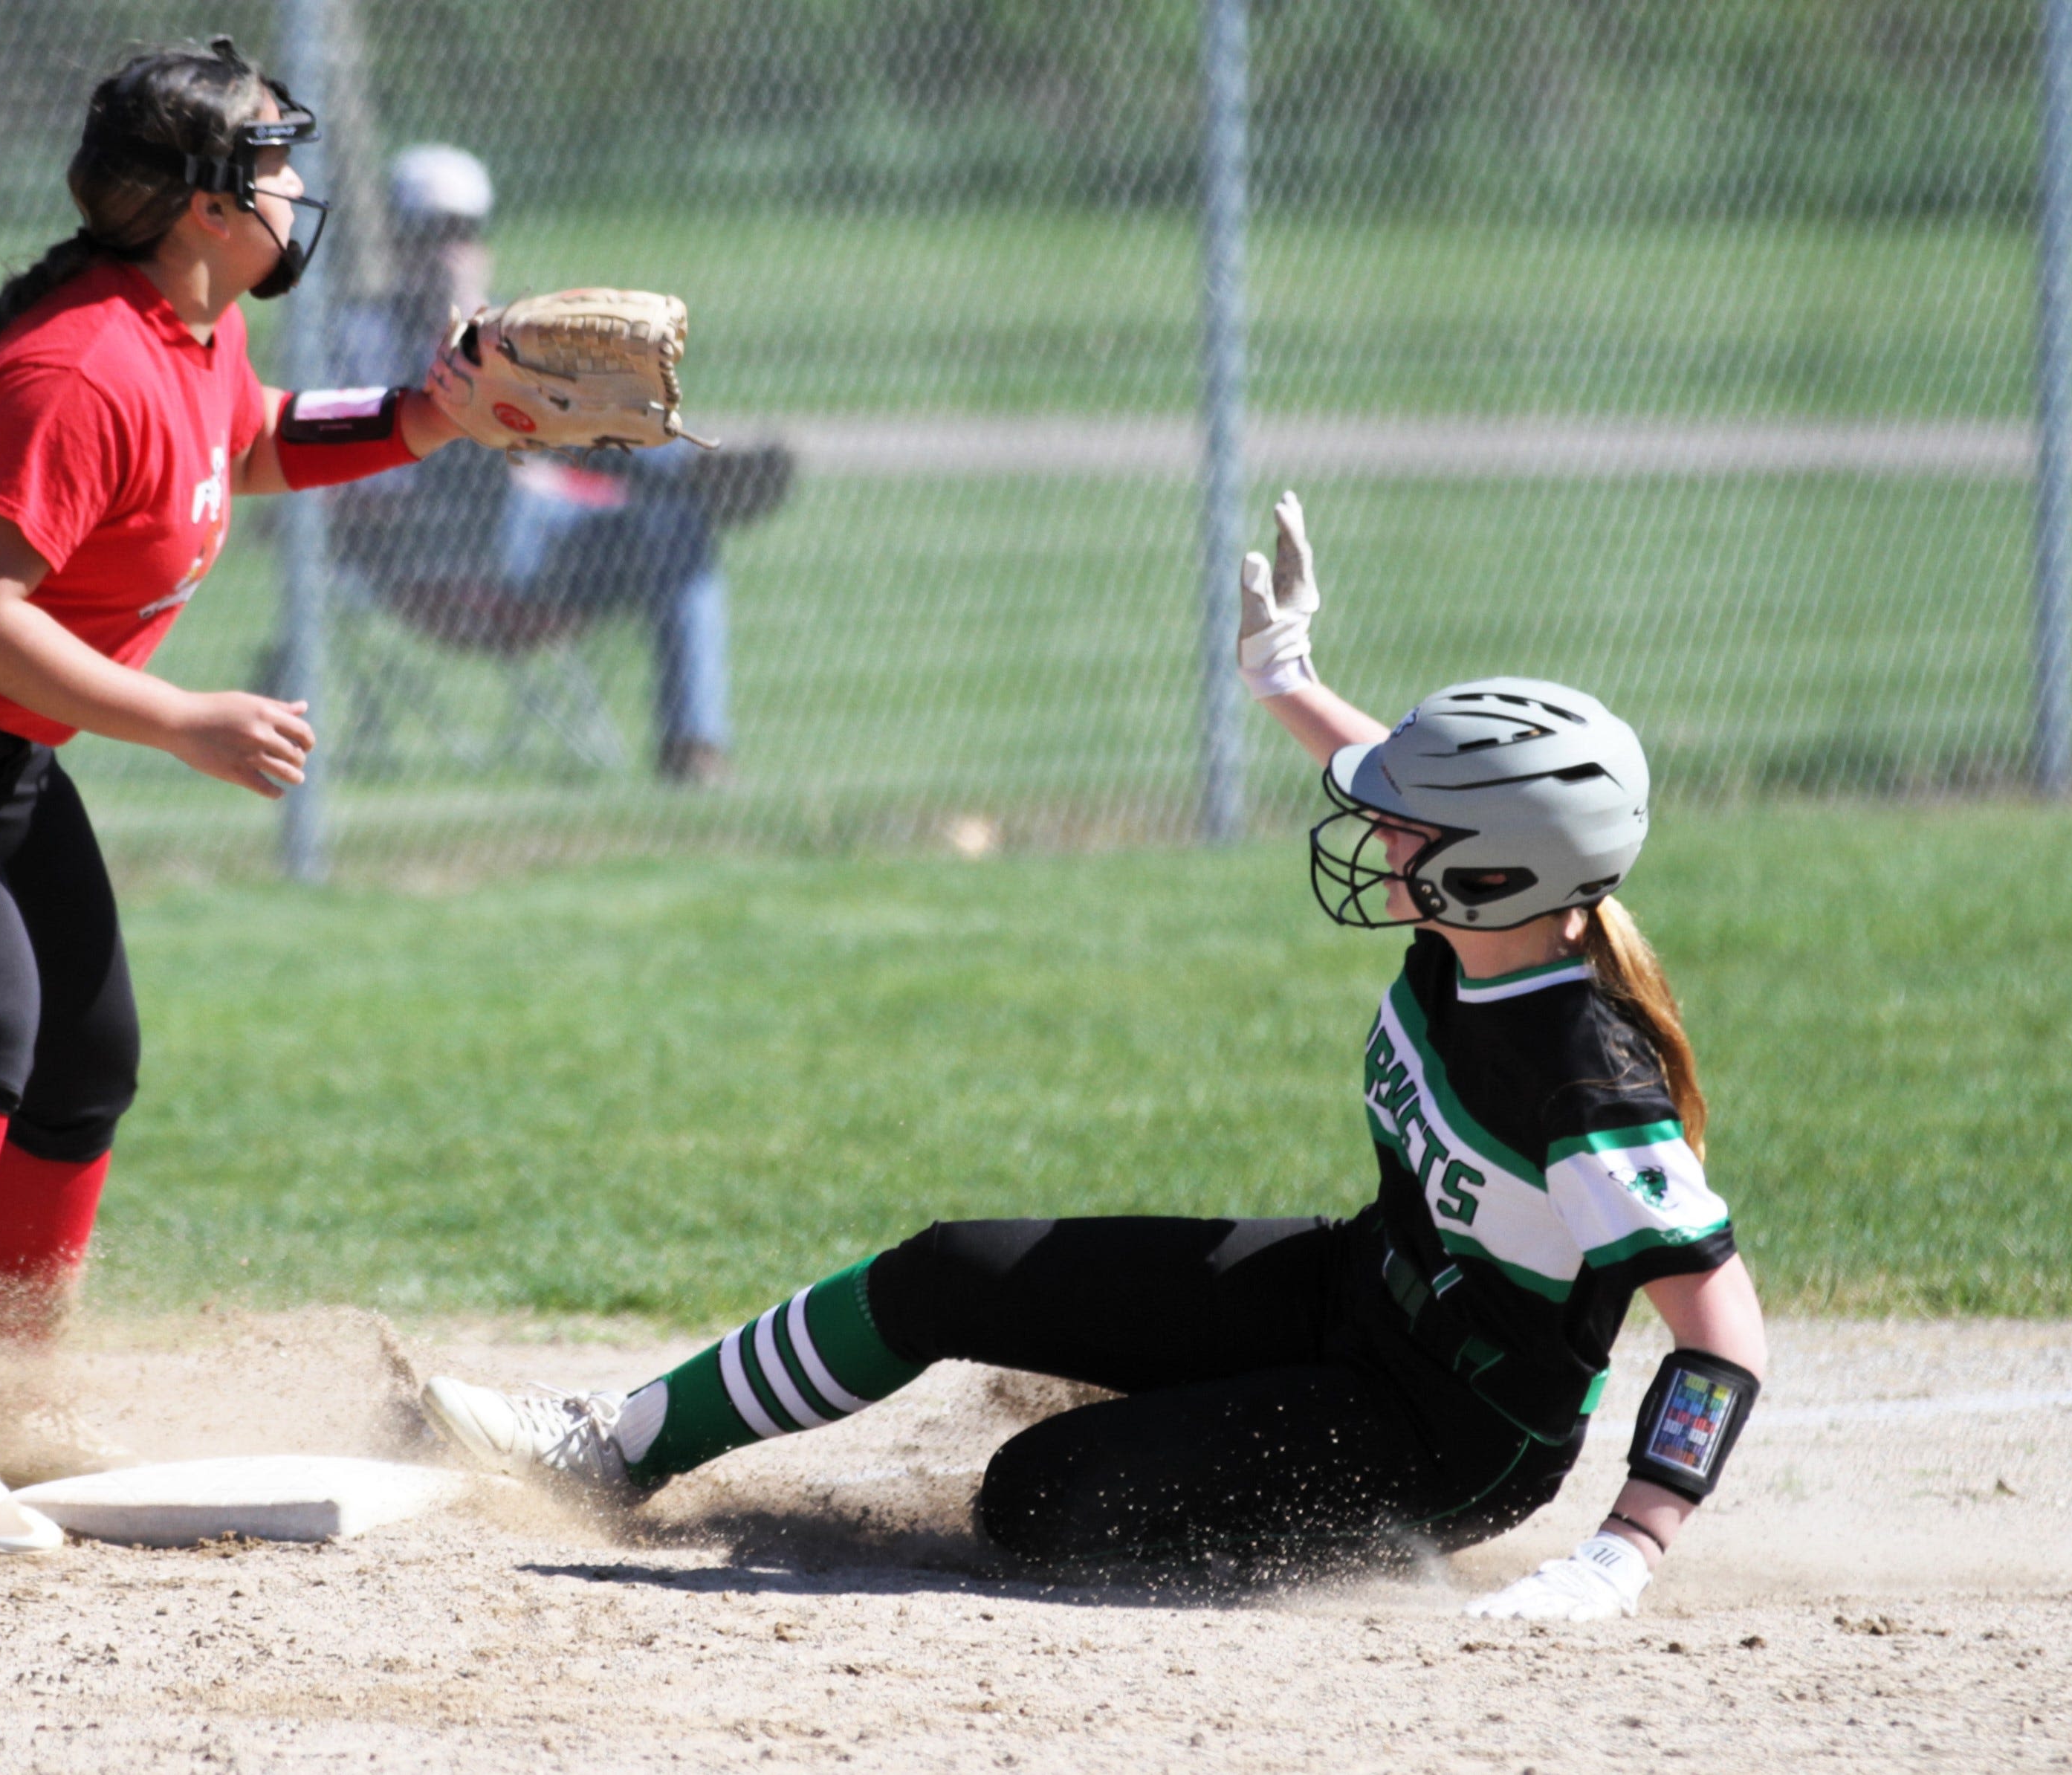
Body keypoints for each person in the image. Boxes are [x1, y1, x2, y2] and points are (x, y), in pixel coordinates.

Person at [421, 493, 1769, 1619]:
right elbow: (1385, 768)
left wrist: (1621, 1551)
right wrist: (1285, 677)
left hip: (1443, 1441)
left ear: (1496, 869)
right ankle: (608, 1450)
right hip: (1351, 1296)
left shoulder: (1584, 1083)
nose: (1373, 834)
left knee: (1034, 1500)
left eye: (1409, 831)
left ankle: (1338, 1527)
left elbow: (1721, 1340)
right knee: (946, 1268)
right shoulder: (1490, 924)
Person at [0, 38, 499, 1554]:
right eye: (267, 164)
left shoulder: (183, 331)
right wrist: (178, 720)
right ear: (201, 209)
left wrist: (430, 412)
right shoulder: (78, 363)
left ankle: (2, 1401)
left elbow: (245, 447)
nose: (290, 188)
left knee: (83, 1056)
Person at [321, 144, 791, 785]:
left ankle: (694, 751)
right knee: (475, 411)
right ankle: (686, 469)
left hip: (540, 543)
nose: (448, 250)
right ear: (399, 241)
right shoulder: (356, 335)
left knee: (677, 527)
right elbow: (350, 470)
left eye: (464, 232)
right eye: (432, 232)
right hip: (417, 545)